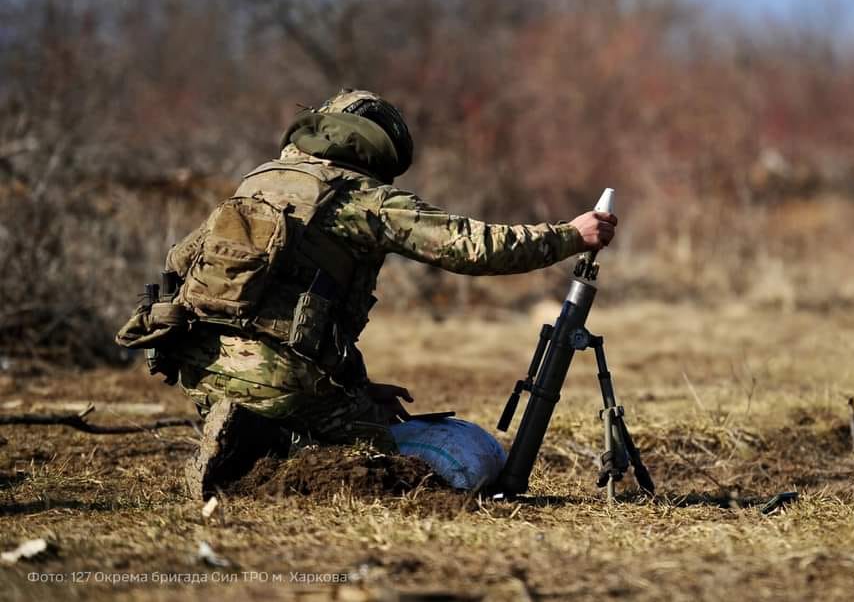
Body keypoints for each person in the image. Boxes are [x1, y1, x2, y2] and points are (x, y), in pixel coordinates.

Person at [117, 89, 616, 499]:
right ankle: (280, 450)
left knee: (320, 404)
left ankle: (250, 425)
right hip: (280, 379)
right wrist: (570, 235)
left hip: (201, 369)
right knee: (390, 457)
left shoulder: (259, 182)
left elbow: (182, 264)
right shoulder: (357, 196)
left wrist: (353, 382)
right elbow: (470, 247)